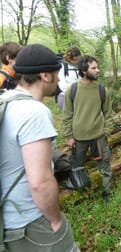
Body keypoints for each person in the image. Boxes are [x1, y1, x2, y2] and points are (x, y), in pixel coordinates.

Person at [0, 44, 79, 251]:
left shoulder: (5, 101)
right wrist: (55, 220)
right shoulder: (34, 112)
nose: (59, 79)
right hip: (30, 222)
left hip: (7, 220)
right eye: (56, 73)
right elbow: (40, 182)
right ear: (45, 75)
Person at [62, 55, 114, 200]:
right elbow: (67, 115)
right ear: (84, 71)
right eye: (94, 68)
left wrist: (106, 132)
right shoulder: (72, 90)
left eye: (97, 67)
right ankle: (79, 192)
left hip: (98, 137)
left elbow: (109, 114)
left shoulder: (102, 90)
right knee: (76, 167)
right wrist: (69, 136)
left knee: (105, 168)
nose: (98, 70)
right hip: (78, 139)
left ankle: (106, 193)